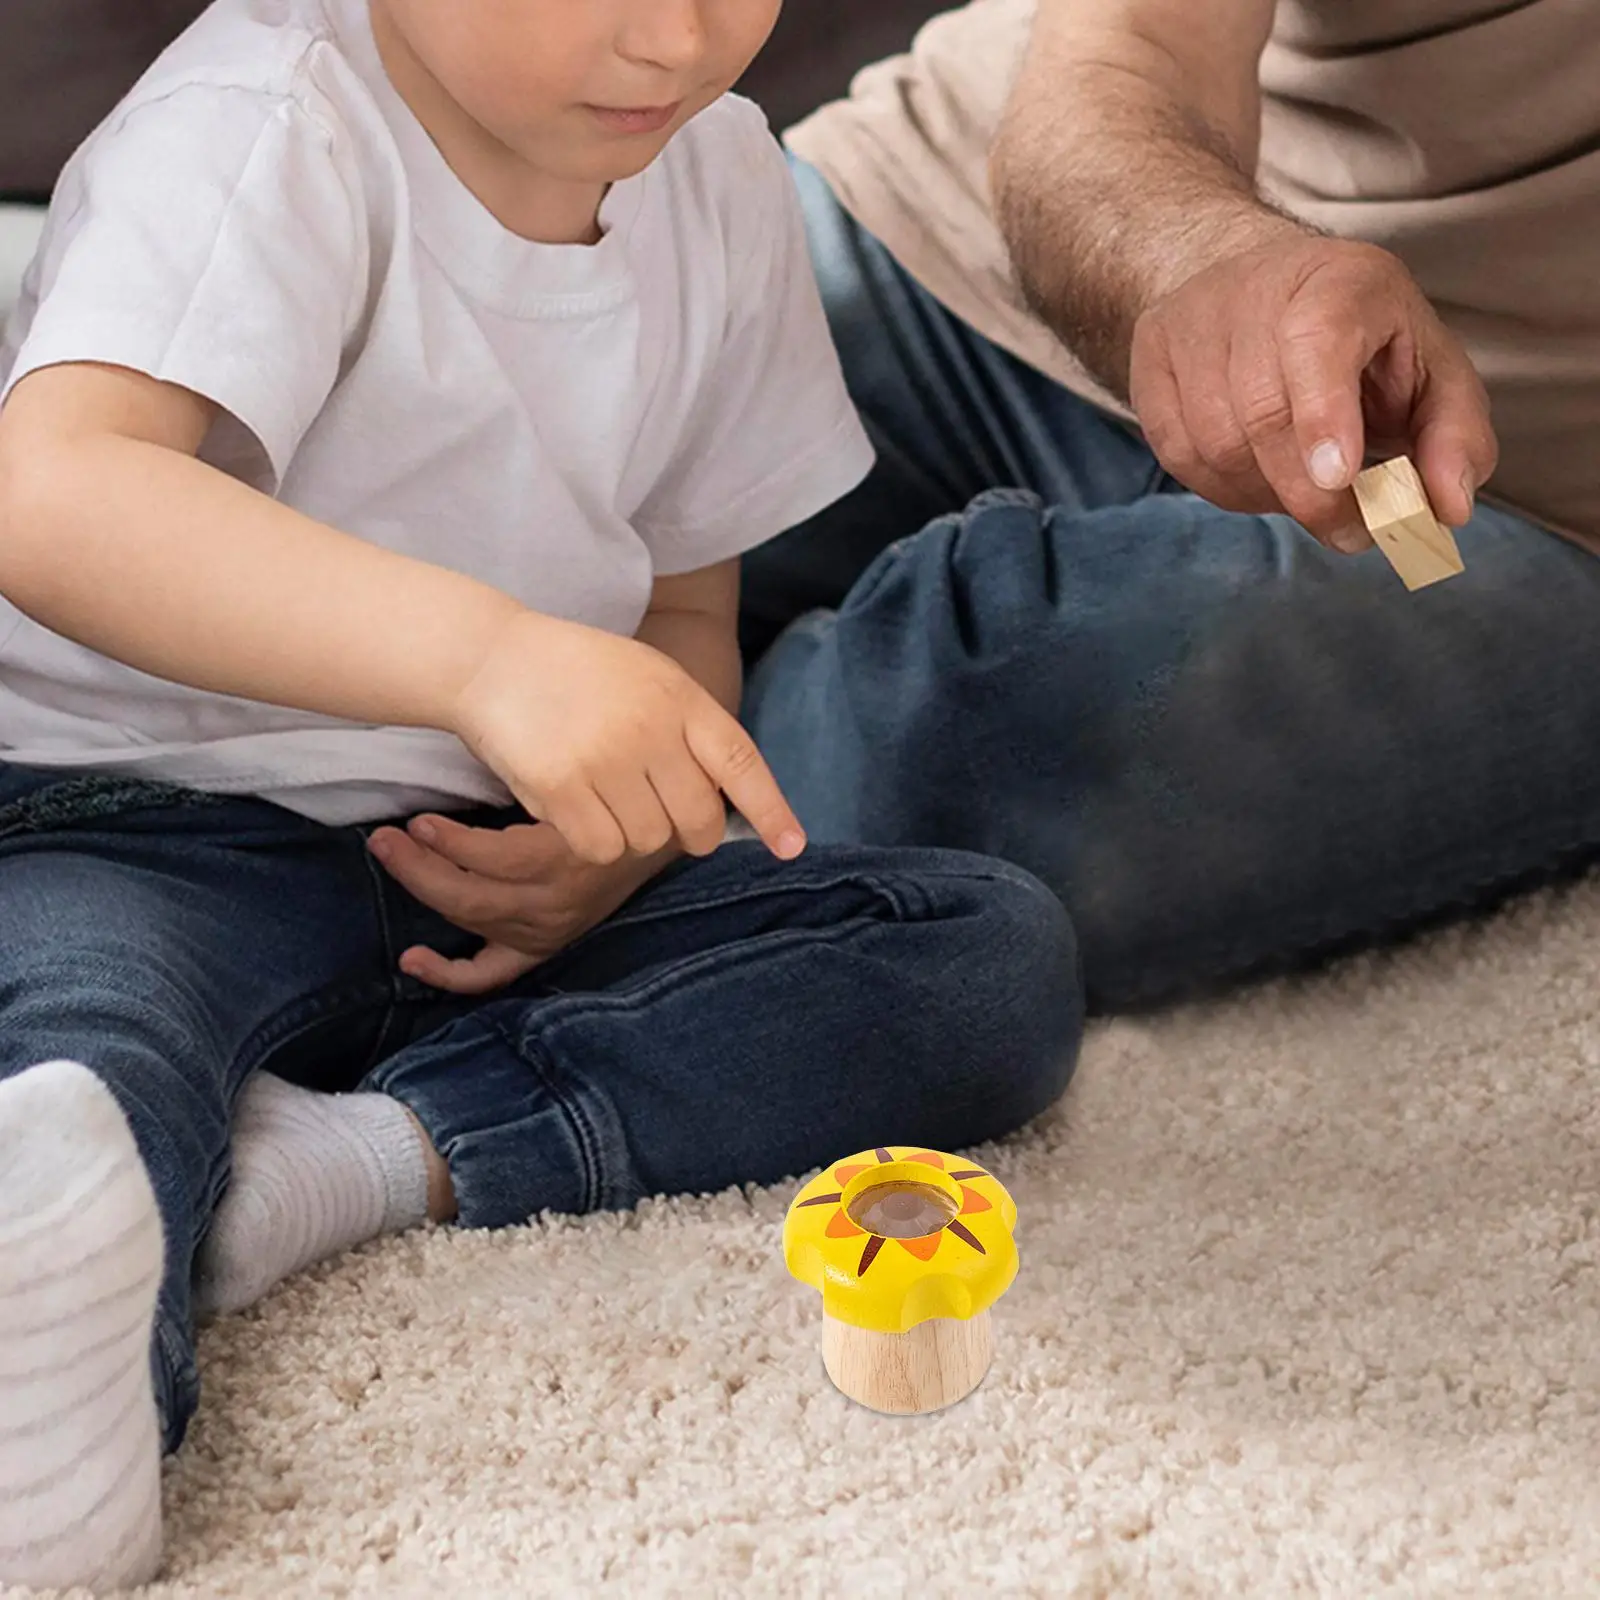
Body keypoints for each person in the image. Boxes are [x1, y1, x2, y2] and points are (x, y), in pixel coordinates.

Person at [0, 0, 1080, 1589]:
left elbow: (688, 617)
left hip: (480, 881)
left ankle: (350, 1162)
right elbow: (60, 492)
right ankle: (52, 1422)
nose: (677, 37)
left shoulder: (714, 178)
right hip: (143, 822)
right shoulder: (269, 118)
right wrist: (487, 660)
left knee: (976, 956)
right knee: (91, 1055)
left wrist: (614, 848)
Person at [729, 0, 1600, 1010]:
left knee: (959, 769)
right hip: (1004, 226)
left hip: (1516, 495)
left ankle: (700, 715)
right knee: (539, 478)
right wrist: (1206, 260)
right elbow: (1131, 49)